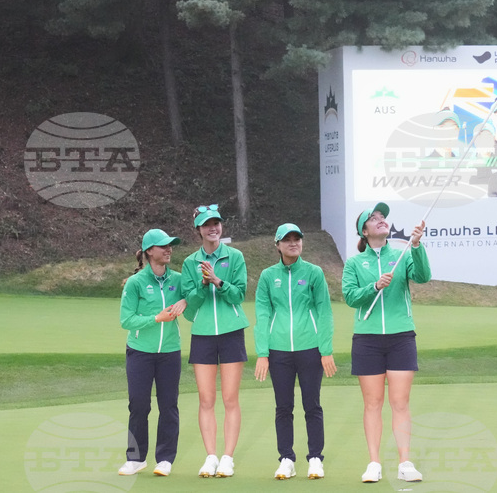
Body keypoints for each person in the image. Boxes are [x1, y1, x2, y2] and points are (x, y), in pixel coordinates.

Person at [341, 202, 431, 484]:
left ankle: (405, 462)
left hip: (401, 336)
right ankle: (374, 463)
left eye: (383, 217)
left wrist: (416, 246)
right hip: (367, 339)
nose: (381, 220)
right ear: (364, 231)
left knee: (400, 402)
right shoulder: (355, 263)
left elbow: (423, 276)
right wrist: (375, 286)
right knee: (373, 403)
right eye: (374, 218)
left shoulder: (402, 253)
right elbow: (351, 297)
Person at [254, 223, 337, 480]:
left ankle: (315, 458)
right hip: (279, 351)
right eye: (287, 240)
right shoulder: (268, 276)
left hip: (310, 348)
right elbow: (263, 314)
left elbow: (324, 312)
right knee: (283, 407)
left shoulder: (313, 273)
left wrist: (326, 350)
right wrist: (262, 353)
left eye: (297, 239)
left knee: (312, 405)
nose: (293, 243)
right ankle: (287, 458)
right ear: (277, 245)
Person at [182, 204, 250, 478]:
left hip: (232, 331)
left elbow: (239, 295)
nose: (213, 228)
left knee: (230, 398)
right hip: (203, 334)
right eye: (207, 224)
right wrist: (202, 283)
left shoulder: (235, 256)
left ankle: (227, 457)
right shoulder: (190, 263)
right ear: (198, 229)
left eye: (217, 223)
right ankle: (210, 456)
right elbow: (189, 308)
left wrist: (218, 282)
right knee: (206, 399)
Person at [118, 228, 186, 477]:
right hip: (140, 352)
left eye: (170, 245)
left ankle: (165, 459)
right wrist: (156, 318)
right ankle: (135, 459)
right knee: (139, 405)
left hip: (169, 352)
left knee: (168, 405)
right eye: (163, 246)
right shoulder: (136, 282)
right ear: (149, 251)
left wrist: (186, 301)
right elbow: (126, 320)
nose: (168, 249)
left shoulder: (178, 280)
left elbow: (195, 296)